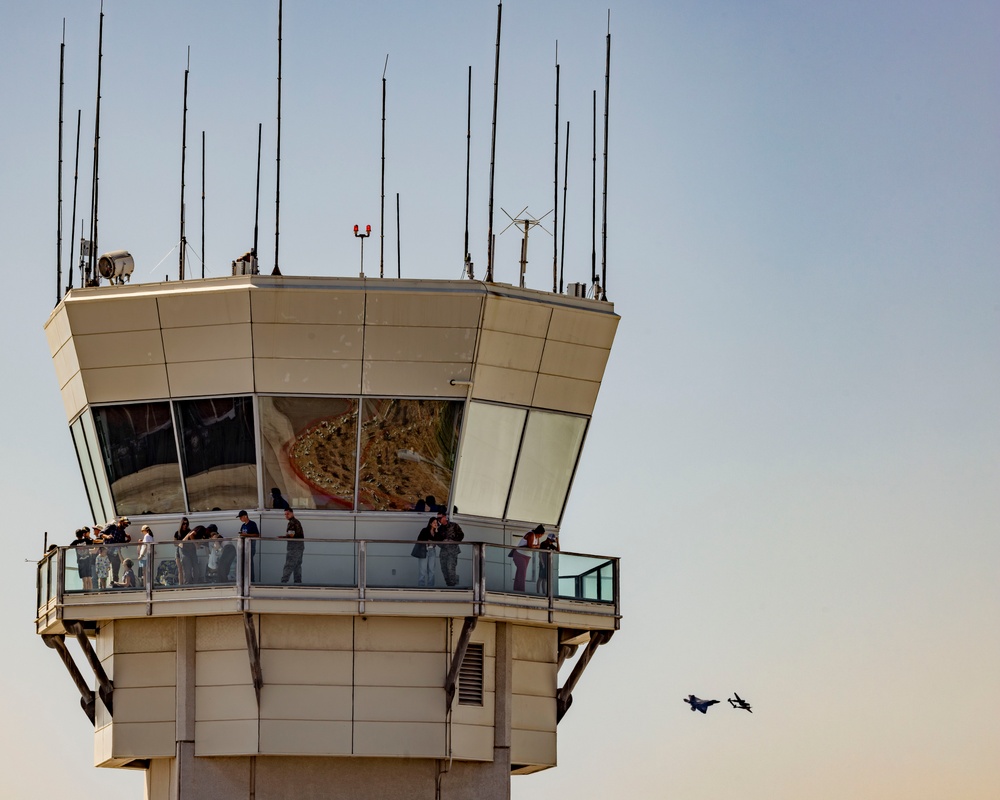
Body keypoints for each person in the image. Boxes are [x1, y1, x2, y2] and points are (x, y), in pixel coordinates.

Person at [435, 511, 465, 587]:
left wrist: (453, 541)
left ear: (445, 517)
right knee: (444, 568)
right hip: (444, 551)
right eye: (437, 518)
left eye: (440, 518)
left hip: (452, 551)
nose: (439, 520)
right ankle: (448, 584)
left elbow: (461, 535)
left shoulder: (454, 525)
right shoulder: (439, 529)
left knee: (450, 568)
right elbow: (437, 540)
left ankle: (452, 585)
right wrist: (442, 542)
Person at [511, 525, 545, 593]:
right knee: (522, 573)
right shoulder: (531, 534)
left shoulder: (537, 537)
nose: (541, 536)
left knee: (520, 573)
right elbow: (530, 546)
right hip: (520, 555)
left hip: (527, 556)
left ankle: (517, 589)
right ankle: (521, 590)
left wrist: (535, 546)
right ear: (540, 533)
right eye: (541, 535)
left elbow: (537, 546)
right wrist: (536, 546)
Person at [278, 507, 305, 584]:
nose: (286, 515)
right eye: (285, 514)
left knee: (289, 565)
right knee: (297, 566)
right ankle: (298, 582)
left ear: (292, 513)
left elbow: (291, 535)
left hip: (294, 547)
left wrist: (283, 537)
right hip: (300, 547)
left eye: (288, 514)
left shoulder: (292, 522)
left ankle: (283, 582)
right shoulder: (296, 522)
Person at [102, 516, 132, 583]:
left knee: (115, 572)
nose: (125, 526)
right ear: (120, 522)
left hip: (115, 554)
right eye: (125, 524)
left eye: (127, 525)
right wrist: (107, 536)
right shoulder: (112, 527)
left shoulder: (122, 532)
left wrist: (128, 540)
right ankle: (102, 587)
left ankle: (115, 585)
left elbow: (122, 543)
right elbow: (101, 533)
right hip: (106, 552)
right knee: (103, 570)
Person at [412, 516, 438, 587]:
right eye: (434, 522)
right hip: (424, 550)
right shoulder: (425, 530)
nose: (436, 524)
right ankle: (421, 587)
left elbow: (439, 541)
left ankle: (431, 586)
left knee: (431, 570)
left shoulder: (437, 532)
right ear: (430, 523)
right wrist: (427, 541)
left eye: (436, 523)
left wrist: (437, 532)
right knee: (422, 570)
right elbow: (419, 539)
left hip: (432, 550)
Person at [238, 510, 260, 580]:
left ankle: (251, 579)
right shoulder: (243, 525)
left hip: (251, 546)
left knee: (250, 563)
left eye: (241, 517)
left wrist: (247, 535)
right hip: (244, 547)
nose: (240, 519)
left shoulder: (252, 524)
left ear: (245, 516)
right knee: (244, 564)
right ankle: (245, 579)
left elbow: (257, 535)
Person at [537, 531, 559, 596]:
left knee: (545, 579)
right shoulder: (543, 544)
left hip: (548, 563)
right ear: (549, 539)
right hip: (543, 563)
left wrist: (557, 542)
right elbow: (540, 554)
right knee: (540, 578)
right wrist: (542, 563)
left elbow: (558, 550)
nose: (552, 542)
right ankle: (538, 592)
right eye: (552, 541)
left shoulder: (550, 545)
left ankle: (544, 592)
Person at [174, 517, 191, 584]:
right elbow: (175, 543)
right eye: (183, 523)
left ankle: (186, 583)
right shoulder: (177, 533)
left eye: (186, 524)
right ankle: (180, 585)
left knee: (186, 569)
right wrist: (180, 543)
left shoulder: (189, 532)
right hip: (178, 551)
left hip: (186, 552)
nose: (185, 525)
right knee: (180, 569)